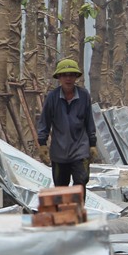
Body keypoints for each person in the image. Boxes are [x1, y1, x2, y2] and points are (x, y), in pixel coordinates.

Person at [37, 58, 97, 188]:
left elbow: (89, 121)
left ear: (76, 77)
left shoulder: (84, 96)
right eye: (64, 75)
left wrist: (92, 144)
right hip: (59, 151)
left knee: (80, 183)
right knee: (61, 187)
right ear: (59, 77)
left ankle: (78, 208)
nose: (68, 78)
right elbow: (44, 122)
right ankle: (63, 209)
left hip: (80, 150)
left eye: (71, 75)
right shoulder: (52, 97)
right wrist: (42, 144)